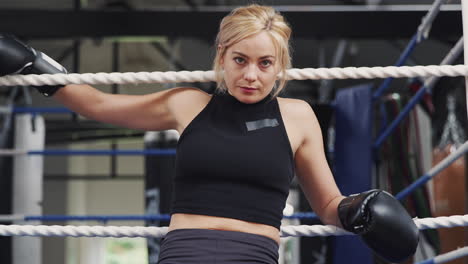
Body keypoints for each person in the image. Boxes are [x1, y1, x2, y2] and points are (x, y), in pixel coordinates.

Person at [0, 4, 419, 264]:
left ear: (280, 66)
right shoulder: (188, 103)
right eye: (239, 59)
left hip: (253, 255)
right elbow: (99, 104)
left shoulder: (297, 116)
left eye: (264, 63)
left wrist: (355, 209)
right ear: (222, 56)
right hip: (184, 252)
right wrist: (33, 67)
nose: (251, 75)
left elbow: (327, 203)